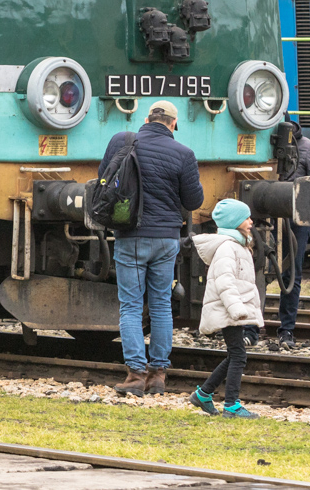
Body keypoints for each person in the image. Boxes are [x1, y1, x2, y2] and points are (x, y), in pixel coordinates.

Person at [103, 100, 203, 397]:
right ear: (173, 124)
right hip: (166, 238)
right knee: (161, 305)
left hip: (131, 236)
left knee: (131, 305)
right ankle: (158, 375)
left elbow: (103, 179)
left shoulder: (123, 143)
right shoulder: (184, 153)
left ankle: (135, 375)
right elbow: (194, 201)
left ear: (147, 119)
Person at [190, 199, 263, 418]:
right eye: (246, 218)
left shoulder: (238, 246)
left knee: (235, 355)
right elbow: (224, 282)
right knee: (238, 355)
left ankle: (203, 394)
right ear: (235, 222)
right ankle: (231, 405)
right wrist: (237, 308)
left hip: (233, 310)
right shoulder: (227, 248)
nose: (251, 221)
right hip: (229, 311)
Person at [275, 121, 310, 346]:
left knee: (292, 274)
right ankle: (251, 327)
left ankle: (286, 329)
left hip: (295, 219)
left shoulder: (308, 148)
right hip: (263, 215)